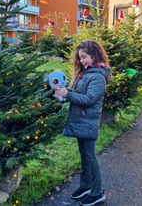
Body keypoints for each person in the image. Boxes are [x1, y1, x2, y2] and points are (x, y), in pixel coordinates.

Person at [55, 40, 111, 206]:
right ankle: (86, 186)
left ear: (94, 56)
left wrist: (68, 95)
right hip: (80, 120)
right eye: (80, 58)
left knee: (90, 156)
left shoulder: (98, 76)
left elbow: (89, 99)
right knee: (84, 155)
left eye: (84, 57)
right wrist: (64, 92)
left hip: (88, 121)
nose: (81, 61)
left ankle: (97, 192)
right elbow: (79, 93)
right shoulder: (86, 73)